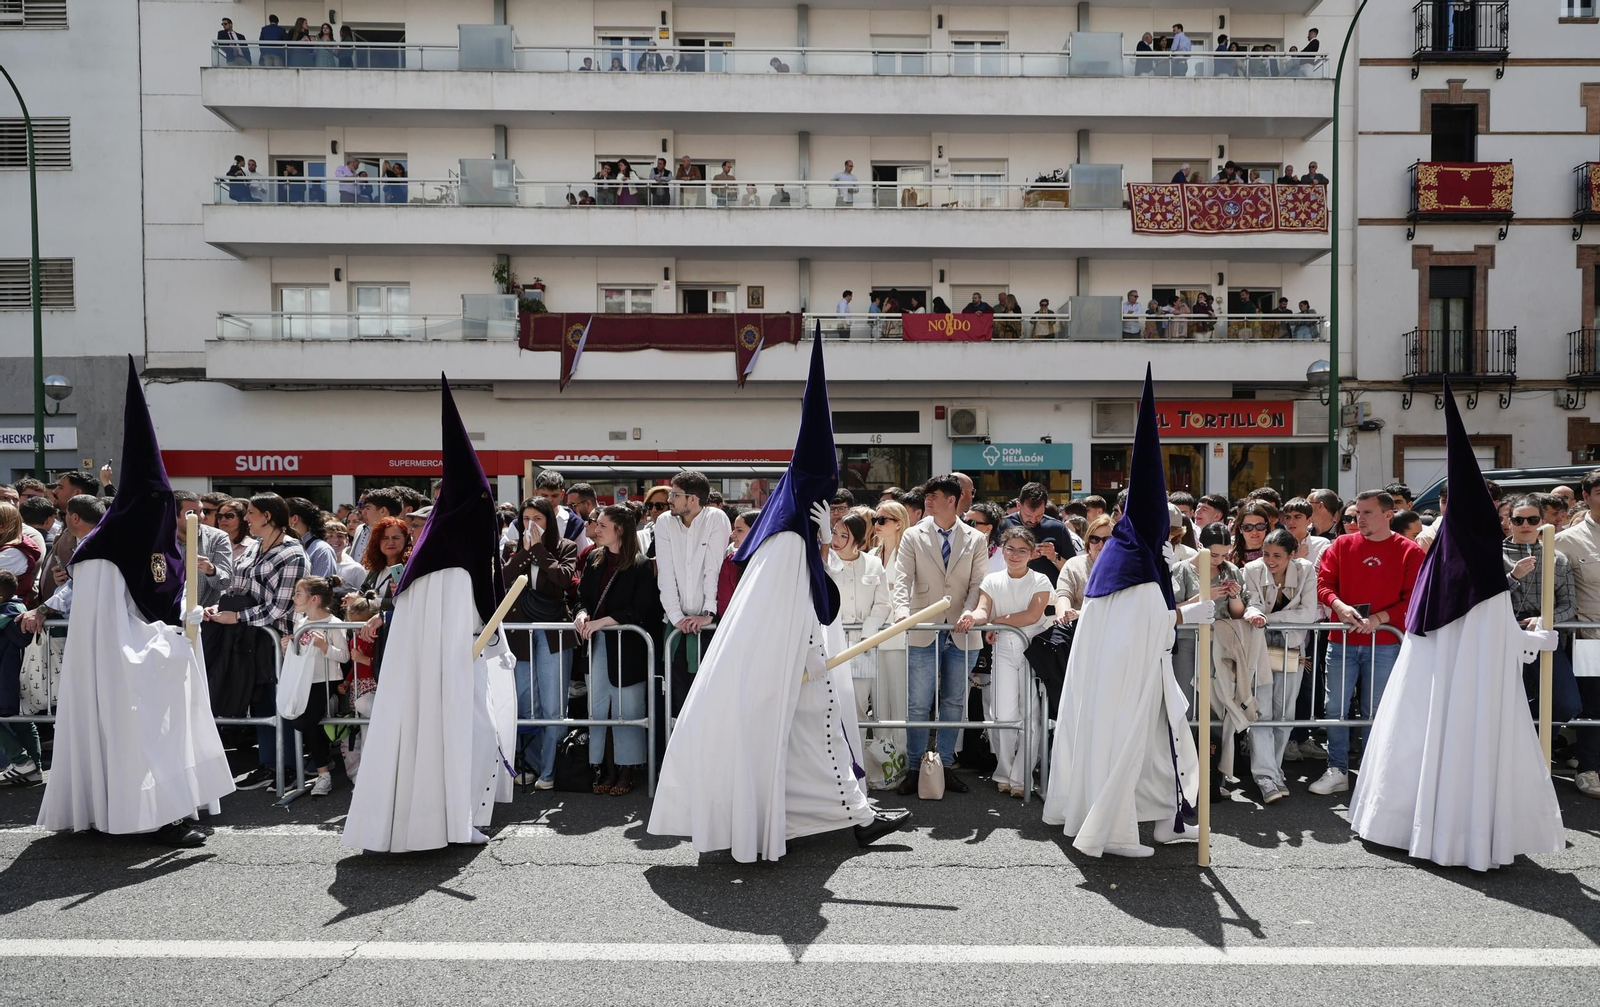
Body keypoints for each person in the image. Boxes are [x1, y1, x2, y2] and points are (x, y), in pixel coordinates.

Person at [650, 335, 909, 860]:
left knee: (818, 748)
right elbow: (809, 607)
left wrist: (821, 549)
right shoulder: (789, 542)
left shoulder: (794, 540)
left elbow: (818, 601)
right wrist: (816, 549)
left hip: (798, 668)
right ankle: (855, 818)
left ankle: (848, 815)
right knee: (823, 743)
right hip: (795, 671)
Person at [1351, 385, 1564, 869]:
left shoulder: (1438, 557)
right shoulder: (1482, 561)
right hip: (1471, 687)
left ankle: (1413, 824)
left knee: (1423, 744)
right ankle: (1462, 833)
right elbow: (1494, 630)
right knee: (1467, 751)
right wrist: (1537, 639)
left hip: (1432, 682)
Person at [38, 360, 233, 847]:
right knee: (145, 738)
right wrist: (172, 639)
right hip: (126, 676)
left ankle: (173, 806)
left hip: (156, 662)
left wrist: (186, 622)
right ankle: (151, 818)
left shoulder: (158, 545)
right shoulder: (103, 555)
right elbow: (111, 634)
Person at [343, 380, 518, 851]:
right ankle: (441, 821)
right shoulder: (448, 566)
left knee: (466, 735)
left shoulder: (436, 559)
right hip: (445, 678)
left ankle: (437, 819)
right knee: (466, 735)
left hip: (447, 671)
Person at [1042, 367, 1207, 857]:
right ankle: (1112, 831)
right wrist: (1197, 613)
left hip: (1137, 680)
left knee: (1157, 751)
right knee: (1134, 749)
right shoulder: (1133, 566)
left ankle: (1163, 823)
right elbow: (1152, 626)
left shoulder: (1126, 558)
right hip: (1129, 683)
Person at [1310, 490, 1424, 796]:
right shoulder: (1342, 545)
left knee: (1376, 709)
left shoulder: (1410, 551)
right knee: (1335, 707)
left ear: (1389, 515)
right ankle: (1337, 768)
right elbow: (1323, 584)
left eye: (1367, 512)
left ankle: (1375, 770)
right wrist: (1339, 606)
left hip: (1385, 642)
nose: (1359, 518)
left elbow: (1413, 598)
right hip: (1342, 639)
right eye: (1356, 513)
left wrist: (1379, 618)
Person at [892, 473, 990, 796]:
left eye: (933, 496)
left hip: (962, 631)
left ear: (953, 500)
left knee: (953, 702)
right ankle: (916, 768)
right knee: (918, 704)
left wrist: (969, 611)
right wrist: (903, 612)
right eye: (926, 496)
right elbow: (902, 579)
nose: (927, 501)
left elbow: (978, 584)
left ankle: (945, 766)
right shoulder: (912, 536)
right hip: (923, 628)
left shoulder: (975, 539)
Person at [575, 505, 661, 797]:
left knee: (628, 709)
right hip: (597, 644)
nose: (595, 529)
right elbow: (581, 597)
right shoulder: (594, 559)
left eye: (602, 525)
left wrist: (601, 622)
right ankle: (607, 769)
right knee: (599, 708)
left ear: (619, 530)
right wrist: (582, 614)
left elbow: (641, 609)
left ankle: (627, 771)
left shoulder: (640, 564)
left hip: (629, 646)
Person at [970, 526, 1053, 798]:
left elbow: (1032, 616)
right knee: (1002, 715)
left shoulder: (1040, 580)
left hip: (1032, 648)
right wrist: (974, 618)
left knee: (1030, 714)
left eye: (1021, 550)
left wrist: (997, 621)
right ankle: (1004, 773)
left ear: (1032, 553)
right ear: (1002, 550)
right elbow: (983, 609)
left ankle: (1022, 776)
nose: (1015, 555)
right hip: (1003, 649)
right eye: (1009, 549)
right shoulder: (992, 580)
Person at [501, 496, 577, 789]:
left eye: (538, 518)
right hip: (519, 634)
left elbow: (563, 580)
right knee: (525, 703)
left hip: (553, 633)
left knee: (553, 704)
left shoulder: (566, 547)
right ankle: (530, 764)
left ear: (550, 521)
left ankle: (549, 768)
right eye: (526, 518)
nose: (531, 524)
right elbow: (504, 579)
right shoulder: (512, 549)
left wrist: (540, 551)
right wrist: (524, 552)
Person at [1241, 529, 1320, 803]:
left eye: (1277, 555)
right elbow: (1251, 607)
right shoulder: (1251, 569)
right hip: (1259, 650)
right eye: (1265, 553)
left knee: (1284, 714)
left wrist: (1268, 618)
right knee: (1261, 712)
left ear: (1292, 555)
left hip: (1292, 651)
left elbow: (1308, 614)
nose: (1270, 560)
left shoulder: (1307, 570)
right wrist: (1267, 616)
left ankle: (1274, 771)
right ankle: (1264, 776)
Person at [654, 470, 731, 718]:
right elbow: (665, 573)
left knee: (710, 697)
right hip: (676, 627)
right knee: (677, 698)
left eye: (675, 495)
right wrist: (677, 617)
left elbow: (714, 568)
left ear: (693, 499)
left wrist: (708, 613)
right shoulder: (664, 522)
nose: (669, 499)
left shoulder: (716, 518)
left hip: (712, 625)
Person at [1503, 495, 1579, 724]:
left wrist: (1546, 618)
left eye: (1532, 519)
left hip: (1544, 632)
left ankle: (1537, 745)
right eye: (1519, 520)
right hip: (1507, 631)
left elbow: (1570, 604)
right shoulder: (1493, 555)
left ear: (1541, 521)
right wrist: (1513, 576)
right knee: (1509, 704)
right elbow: (1482, 598)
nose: (1525, 525)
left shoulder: (1558, 559)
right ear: (1509, 521)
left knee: (1567, 703)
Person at [279, 577, 349, 797]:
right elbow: (298, 654)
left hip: (326, 681)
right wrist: (287, 648)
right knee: (306, 722)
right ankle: (323, 772)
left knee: (306, 721)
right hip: (305, 681)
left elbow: (344, 656)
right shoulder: (300, 622)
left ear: (314, 599)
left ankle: (324, 773)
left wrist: (324, 646)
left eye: (298, 593)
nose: (293, 597)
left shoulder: (334, 623)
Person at [1555, 469, 1600, 800]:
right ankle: (1588, 768)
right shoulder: (1567, 540)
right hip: (1590, 637)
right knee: (1594, 707)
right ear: (1585, 497)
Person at [1000, 482, 1077, 584]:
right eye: (1028, 515)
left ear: (1045, 507)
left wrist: (1053, 556)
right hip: (1010, 590)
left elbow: (1073, 570)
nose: (1033, 520)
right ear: (1019, 505)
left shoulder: (1057, 528)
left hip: (1048, 593)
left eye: (1039, 515)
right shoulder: (1002, 525)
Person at [173, 491, 232, 608]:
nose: (200, 517)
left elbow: (225, 583)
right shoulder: (160, 540)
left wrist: (212, 570)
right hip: (169, 618)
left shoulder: (218, 537)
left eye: (202, 511)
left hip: (206, 617)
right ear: (173, 514)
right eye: (191, 513)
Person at [360, 516, 411, 608]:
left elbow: (401, 603)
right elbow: (362, 591)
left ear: (406, 540)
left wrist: (371, 602)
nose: (390, 542)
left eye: (395, 538)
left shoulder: (407, 569)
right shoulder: (375, 568)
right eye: (385, 538)